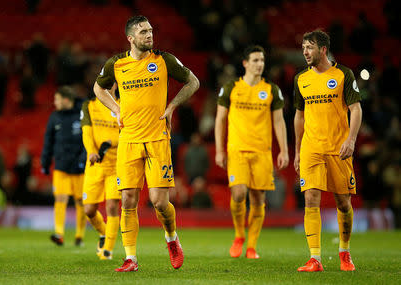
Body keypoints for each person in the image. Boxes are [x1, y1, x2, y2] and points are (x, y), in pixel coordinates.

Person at [93, 15, 199, 272]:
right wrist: (116, 109)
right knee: (128, 199)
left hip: (157, 138)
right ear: (130, 38)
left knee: (159, 202)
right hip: (128, 139)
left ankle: (172, 238)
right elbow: (98, 88)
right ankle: (131, 258)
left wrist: (172, 106)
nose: (149, 35)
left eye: (151, 30)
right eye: (143, 32)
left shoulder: (164, 60)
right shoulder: (116, 64)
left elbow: (193, 82)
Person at [293, 30, 362, 272]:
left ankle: (344, 252)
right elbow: (299, 115)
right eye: (303, 47)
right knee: (310, 198)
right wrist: (297, 151)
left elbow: (356, 108)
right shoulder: (301, 78)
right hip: (312, 147)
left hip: (338, 147)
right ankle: (315, 259)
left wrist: (351, 140)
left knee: (343, 203)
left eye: (309, 47)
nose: (305, 52)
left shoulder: (343, 74)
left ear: (323, 50)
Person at [215, 45, 289, 259]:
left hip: (262, 152)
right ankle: (239, 236)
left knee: (258, 199)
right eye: (255, 60)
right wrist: (220, 150)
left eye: (262, 60)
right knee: (238, 194)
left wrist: (283, 150)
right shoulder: (231, 88)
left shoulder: (271, 90)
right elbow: (220, 119)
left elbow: (278, 121)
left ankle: (252, 246)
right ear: (245, 63)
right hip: (237, 150)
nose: (260, 64)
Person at [41, 86, 86, 246]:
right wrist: (45, 162)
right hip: (61, 165)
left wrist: (83, 159)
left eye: (57, 99)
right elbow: (48, 141)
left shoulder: (82, 114)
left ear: (66, 100)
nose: (55, 102)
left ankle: (79, 236)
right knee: (60, 198)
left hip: (80, 167)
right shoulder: (54, 117)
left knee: (81, 201)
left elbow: (89, 139)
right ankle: (59, 233)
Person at [80, 84, 121, 260]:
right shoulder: (89, 106)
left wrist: (112, 142)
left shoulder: (123, 105)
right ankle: (104, 233)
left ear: (116, 84)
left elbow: (127, 132)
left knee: (112, 206)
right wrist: (91, 151)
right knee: (89, 210)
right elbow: (87, 132)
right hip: (95, 163)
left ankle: (107, 250)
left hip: (116, 165)